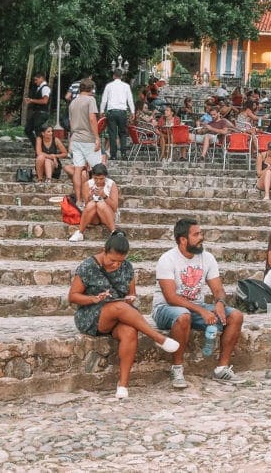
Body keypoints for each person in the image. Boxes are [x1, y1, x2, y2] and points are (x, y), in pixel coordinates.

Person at [69, 230, 181, 399]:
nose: (116, 265)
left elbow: (131, 293)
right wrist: (94, 298)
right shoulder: (88, 266)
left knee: (129, 331)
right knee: (119, 307)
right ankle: (158, 338)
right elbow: (72, 296)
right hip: (91, 315)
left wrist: (131, 298)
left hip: (120, 313)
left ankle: (123, 385)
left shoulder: (127, 267)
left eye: (120, 262)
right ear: (104, 251)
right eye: (112, 260)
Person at [152, 218, 246, 387]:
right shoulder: (167, 259)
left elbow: (218, 289)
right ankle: (177, 369)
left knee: (236, 316)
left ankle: (222, 369)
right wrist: (202, 311)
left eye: (201, 233)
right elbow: (171, 297)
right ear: (183, 240)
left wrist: (219, 303)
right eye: (196, 235)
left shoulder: (207, 258)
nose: (201, 237)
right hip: (165, 308)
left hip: (195, 308)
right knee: (183, 316)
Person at [66, 79, 101, 204]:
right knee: (98, 168)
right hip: (88, 139)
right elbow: (92, 119)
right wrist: (97, 137)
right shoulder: (91, 100)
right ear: (91, 89)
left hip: (76, 139)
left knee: (77, 170)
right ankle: (97, 197)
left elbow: (71, 123)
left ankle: (79, 199)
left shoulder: (73, 102)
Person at [69, 163, 119, 242]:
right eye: (96, 178)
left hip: (108, 215)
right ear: (92, 176)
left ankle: (114, 232)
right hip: (93, 217)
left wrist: (104, 196)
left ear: (105, 176)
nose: (98, 181)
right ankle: (80, 233)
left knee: (100, 204)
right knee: (92, 204)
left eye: (101, 179)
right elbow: (86, 206)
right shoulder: (87, 184)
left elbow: (114, 207)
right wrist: (89, 196)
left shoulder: (111, 184)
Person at [99, 69, 135, 161]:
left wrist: (102, 111)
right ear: (121, 76)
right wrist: (132, 111)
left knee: (112, 134)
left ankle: (113, 155)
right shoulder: (126, 86)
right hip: (122, 112)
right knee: (123, 133)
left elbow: (104, 100)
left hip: (111, 112)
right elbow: (130, 100)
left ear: (113, 76)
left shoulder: (109, 86)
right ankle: (123, 154)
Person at [23, 73, 51, 145]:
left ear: (41, 78)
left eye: (36, 80)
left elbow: (45, 101)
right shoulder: (39, 88)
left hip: (42, 112)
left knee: (38, 131)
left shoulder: (45, 88)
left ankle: (41, 147)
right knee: (28, 130)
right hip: (37, 112)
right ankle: (37, 146)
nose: (35, 82)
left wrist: (32, 100)